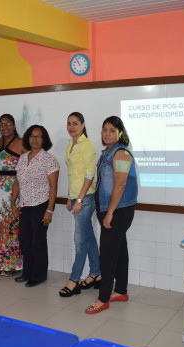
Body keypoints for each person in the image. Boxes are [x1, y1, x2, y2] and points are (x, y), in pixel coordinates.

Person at [85, 116, 138, 314]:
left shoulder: (121, 153)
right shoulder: (107, 152)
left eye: (112, 130)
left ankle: (103, 298)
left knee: (107, 254)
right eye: (104, 129)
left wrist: (110, 214)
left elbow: (120, 184)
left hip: (118, 211)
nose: (107, 133)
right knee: (120, 250)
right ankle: (121, 291)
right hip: (110, 209)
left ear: (120, 133)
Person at [12, 125, 59, 287]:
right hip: (25, 205)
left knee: (37, 241)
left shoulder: (49, 160)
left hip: (41, 204)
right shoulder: (23, 158)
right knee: (24, 240)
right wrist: (13, 203)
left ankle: (38, 276)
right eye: (32, 136)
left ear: (44, 140)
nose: (34, 139)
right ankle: (27, 272)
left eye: (38, 136)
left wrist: (49, 210)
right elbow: (17, 182)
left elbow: (53, 187)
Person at [59, 112, 101, 297]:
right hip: (76, 197)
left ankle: (74, 279)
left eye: (75, 123)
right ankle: (96, 274)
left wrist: (79, 199)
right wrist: (70, 196)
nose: (71, 127)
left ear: (83, 125)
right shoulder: (71, 145)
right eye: (69, 123)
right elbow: (73, 175)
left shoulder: (88, 145)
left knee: (80, 240)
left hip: (86, 198)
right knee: (89, 238)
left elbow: (89, 175)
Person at [0, 114, 27, 276]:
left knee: (13, 228)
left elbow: (28, 165)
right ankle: (2, 263)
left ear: (14, 126)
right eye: (1, 124)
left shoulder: (21, 143)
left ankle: (14, 264)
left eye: (8, 124)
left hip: (14, 190)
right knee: (1, 228)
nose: (5, 127)